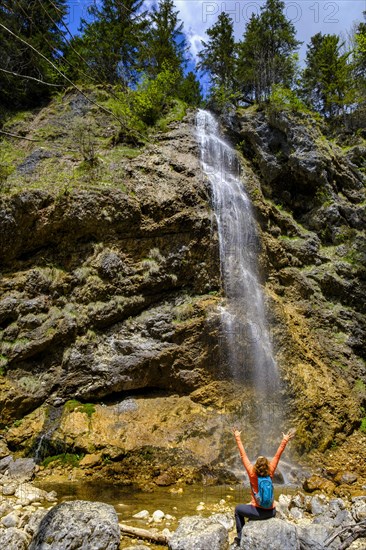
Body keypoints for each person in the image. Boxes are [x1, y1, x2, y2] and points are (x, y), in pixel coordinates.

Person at [231, 427, 295, 546]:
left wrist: (237, 437)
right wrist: (285, 440)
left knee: (237, 509)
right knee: (251, 505)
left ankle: (240, 539)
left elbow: (243, 456)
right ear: (267, 464)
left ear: (256, 465)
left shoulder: (251, 472)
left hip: (259, 511)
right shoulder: (270, 470)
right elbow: (277, 456)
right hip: (272, 511)